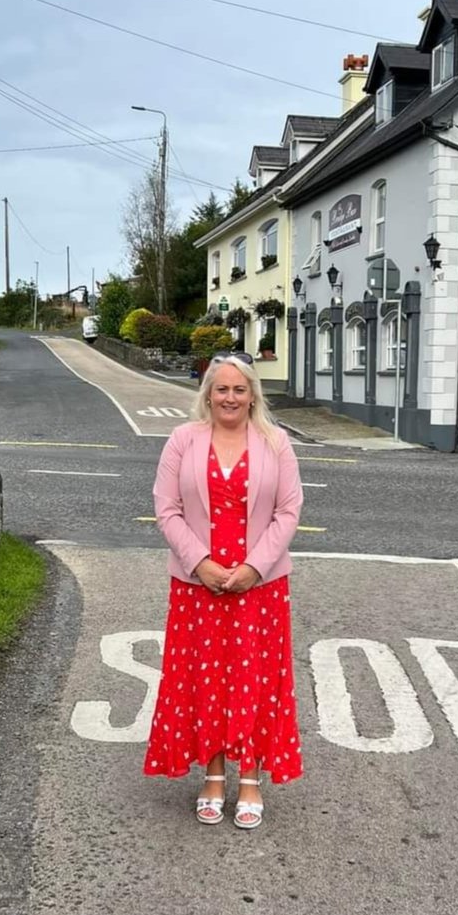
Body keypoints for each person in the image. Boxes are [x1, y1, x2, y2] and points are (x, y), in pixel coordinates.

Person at [143, 352, 304, 829]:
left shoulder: (277, 442)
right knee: (205, 680)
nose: (229, 397)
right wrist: (200, 563)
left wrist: (255, 566)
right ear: (207, 394)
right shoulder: (182, 440)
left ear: (252, 394)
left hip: (261, 586)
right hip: (198, 586)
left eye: (239, 389)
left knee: (254, 678)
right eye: (221, 389)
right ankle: (213, 775)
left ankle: (250, 775)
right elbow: (166, 508)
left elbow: (289, 511)